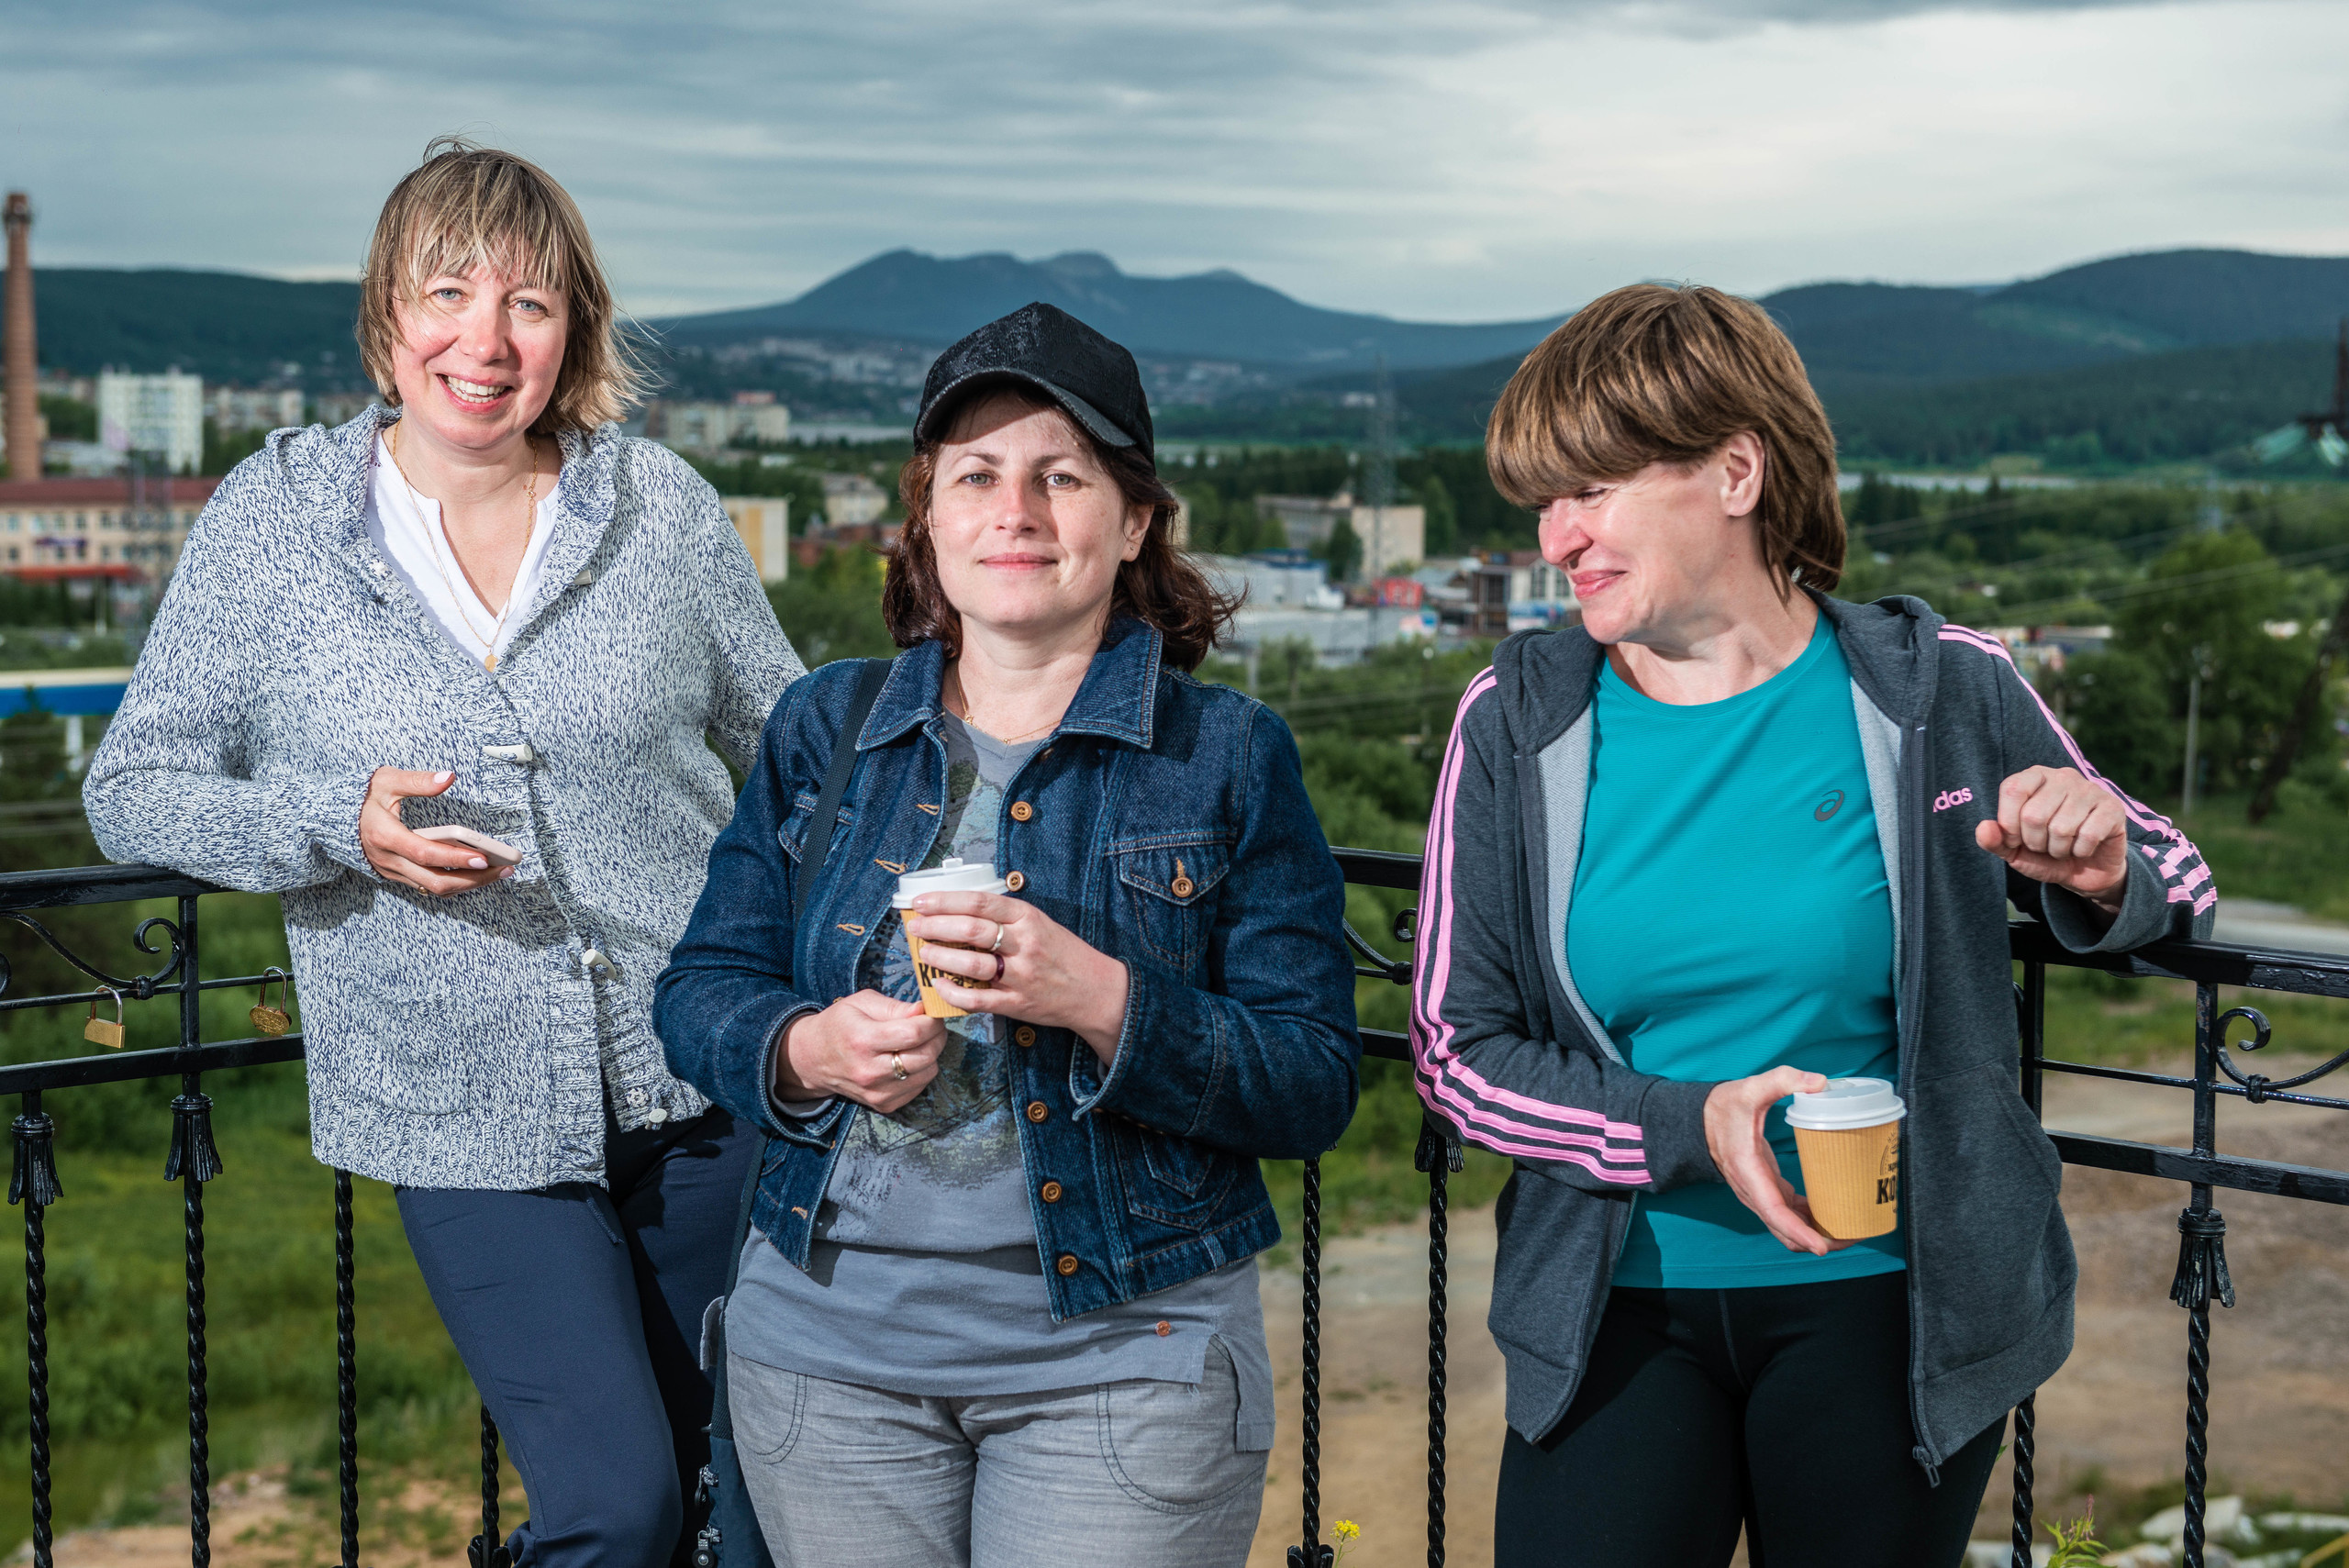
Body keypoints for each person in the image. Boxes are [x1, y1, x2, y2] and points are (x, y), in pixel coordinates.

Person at [1409, 284, 2215, 1567]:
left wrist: (2100, 860)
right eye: (1543, 503)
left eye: (1592, 490)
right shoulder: (1514, 718)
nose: (1558, 537)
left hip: (1896, 1316)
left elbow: (2174, 868)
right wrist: (1686, 1122)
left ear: (1735, 469)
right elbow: (1457, 1051)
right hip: (1620, 1308)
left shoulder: (1940, 684)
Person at [83, 139, 803, 1568]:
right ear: (385, 317)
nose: (485, 339)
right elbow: (133, 784)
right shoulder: (275, 521)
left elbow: (796, 750)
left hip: (707, 1084)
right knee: (620, 1508)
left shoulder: (656, 510)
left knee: (742, 1512)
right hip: (456, 1114)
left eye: (530, 305)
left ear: (574, 332)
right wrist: (326, 827)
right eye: (449, 291)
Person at [654, 301, 1360, 1568]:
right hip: (829, 1359)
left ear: (1134, 518)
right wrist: (806, 1048)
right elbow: (703, 987)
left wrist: (1103, 999)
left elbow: (1311, 1078)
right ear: (929, 514)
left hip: (1124, 1363)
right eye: (975, 475)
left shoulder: (1228, 757)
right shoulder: (829, 726)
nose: (1015, 510)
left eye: (1060, 476)